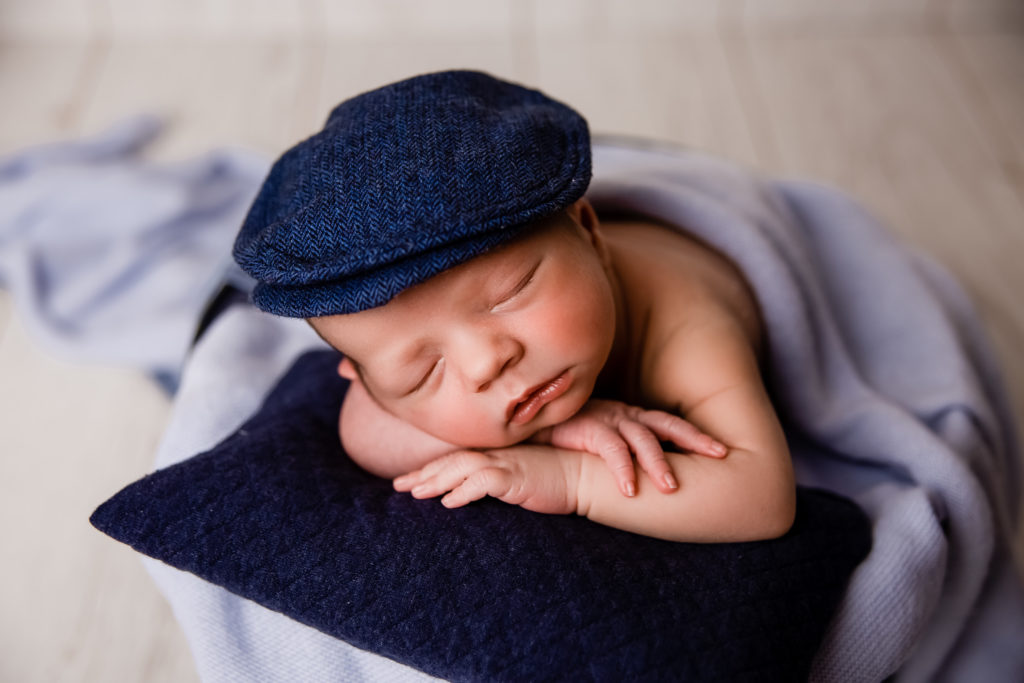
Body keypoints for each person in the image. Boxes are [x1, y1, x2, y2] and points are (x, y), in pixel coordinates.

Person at [233, 70, 795, 543]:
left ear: (589, 231)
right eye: (421, 372)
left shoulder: (682, 324)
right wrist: (553, 429)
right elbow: (363, 431)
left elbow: (762, 499)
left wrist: (568, 478)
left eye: (509, 294)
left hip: (687, 231)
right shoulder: (382, 371)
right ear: (359, 375)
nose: (486, 364)